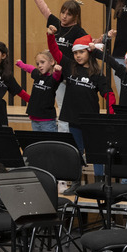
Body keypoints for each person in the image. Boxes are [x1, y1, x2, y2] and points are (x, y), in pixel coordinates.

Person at [46, 28, 115, 173]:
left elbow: (108, 93)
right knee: (76, 151)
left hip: (91, 119)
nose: (77, 56)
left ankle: (99, 180)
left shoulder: (97, 74)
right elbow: (54, 51)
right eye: (75, 53)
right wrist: (50, 36)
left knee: (95, 152)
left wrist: (112, 110)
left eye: (81, 52)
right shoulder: (70, 66)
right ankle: (76, 181)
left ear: (89, 52)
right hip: (73, 117)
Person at [14, 50, 62, 132]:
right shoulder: (38, 74)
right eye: (38, 63)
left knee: (49, 142)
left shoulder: (53, 78)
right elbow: (30, 68)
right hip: (34, 118)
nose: (39, 65)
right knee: (38, 142)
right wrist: (21, 64)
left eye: (42, 62)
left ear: (51, 62)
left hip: (47, 120)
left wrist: (58, 71)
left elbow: (57, 76)